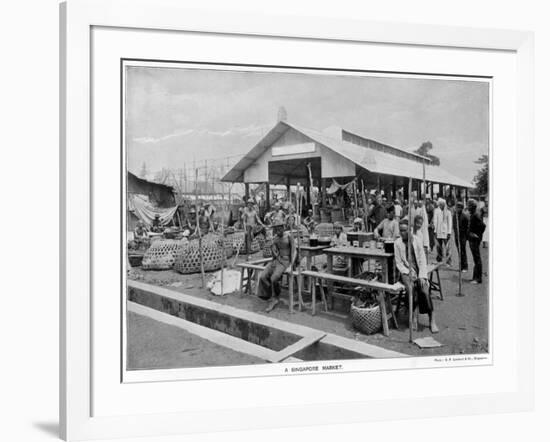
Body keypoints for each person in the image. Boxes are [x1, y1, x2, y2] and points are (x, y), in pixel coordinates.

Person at [394, 219, 438, 333]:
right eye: (400, 230)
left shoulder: (417, 240)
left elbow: (423, 260)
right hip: (405, 271)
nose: (402, 233)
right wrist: (408, 272)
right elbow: (399, 263)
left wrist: (422, 276)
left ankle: (431, 318)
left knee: (424, 289)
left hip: (419, 270)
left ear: (410, 230)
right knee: (410, 288)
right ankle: (413, 316)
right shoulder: (397, 243)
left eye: (404, 230)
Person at [257, 221, 295, 313]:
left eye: (280, 228)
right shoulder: (276, 239)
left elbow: (294, 251)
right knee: (263, 276)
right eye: (276, 229)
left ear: (283, 227)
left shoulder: (289, 236)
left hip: (286, 261)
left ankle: (274, 297)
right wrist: (272, 247)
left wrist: (291, 265)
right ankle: (271, 295)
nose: (278, 230)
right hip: (276, 260)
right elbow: (275, 254)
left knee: (274, 278)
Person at [467, 199, 485, 284]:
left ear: (472, 207)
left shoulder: (475, 215)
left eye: (469, 206)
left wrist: (477, 234)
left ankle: (478, 278)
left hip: (474, 240)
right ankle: (475, 277)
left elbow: (483, 226)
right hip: (472, 239)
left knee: (477, 259)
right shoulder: (473, 215)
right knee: (475, 259)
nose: (467, 207)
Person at [433, 198, 452, 265]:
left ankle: (448, 261)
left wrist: (449, 232)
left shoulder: (448, 212)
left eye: (442, 204)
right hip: (438, 231)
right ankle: (439, 259)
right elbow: (435, 221)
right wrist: (435, 231)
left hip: (446, 232)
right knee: (438, 246)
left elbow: (450, 222)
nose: (441, 205)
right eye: (440, 204)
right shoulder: (436, 211)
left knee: (447, 247)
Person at [453, 202, 469, 272]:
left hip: (462, 237)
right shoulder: (455, 216)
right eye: (456, 207)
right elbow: (454, 226)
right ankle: (461, 266)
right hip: (457, 236)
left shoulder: (464, 216)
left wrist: (464, 234)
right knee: (459, 251)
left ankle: (465, 267)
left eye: (457, 207)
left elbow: (467, 227)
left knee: (463, 251)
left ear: (461, 208)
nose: (456, 209)